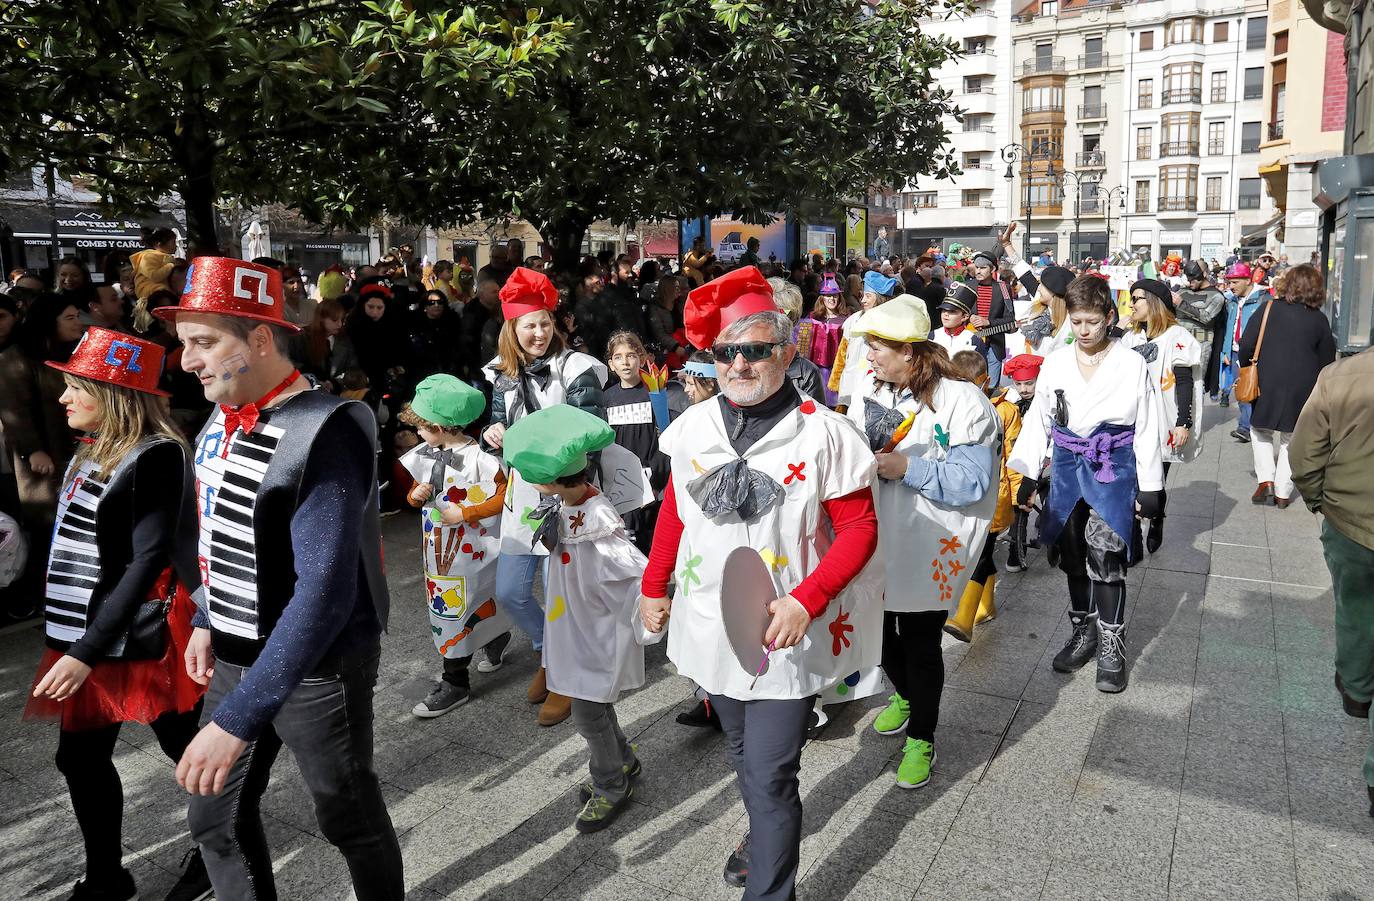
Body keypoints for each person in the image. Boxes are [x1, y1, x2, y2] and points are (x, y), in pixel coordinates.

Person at [153, 258, 403, 901]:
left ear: (260, 339)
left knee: (345, 814)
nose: (186, 363)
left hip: (320, 665)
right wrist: (210, 617)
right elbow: (217, 527)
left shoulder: (328, 426)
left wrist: (236, 719)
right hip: (237, 652)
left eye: (204, 343)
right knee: (213, 820)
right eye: (185, 345)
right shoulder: (223, 409)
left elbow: (323, 594)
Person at [639, 267, 881, 900]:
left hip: (785, 630)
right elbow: (673, 506)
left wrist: (809, 598)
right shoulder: (694, 426)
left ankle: (771, 889)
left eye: (755, 350)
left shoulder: (827, 434)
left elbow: (859, 529)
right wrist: (654, 582)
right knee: (744, 755)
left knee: (772, 772)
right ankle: (761, 836)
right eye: (726, 352)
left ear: (787, 351)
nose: (739, 364)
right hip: (711, 625)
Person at [23, 327, 211, 901]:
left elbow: (147, 558)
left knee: (187, 746)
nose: (61, 398)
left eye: (74, 387)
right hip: (88, 629)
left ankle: (221, 853)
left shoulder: (156, 455)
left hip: (133, 632)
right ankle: (108, 875)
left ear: (114, 393)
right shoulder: (95, 443)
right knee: (79, 757)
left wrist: (86, 651)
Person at [844, 295, 997, 787]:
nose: (868, 357)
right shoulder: (873, 389)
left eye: (876, 348)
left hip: (930, 542)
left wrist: (906, 467)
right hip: (874, 536)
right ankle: (907, 695)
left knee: (920, 641)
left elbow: (972, 481)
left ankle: (923, 737)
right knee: (875, 629)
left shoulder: (962, 401)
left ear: (909, 351)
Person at [1009, 275, 1164, 693]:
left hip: (1112, 466)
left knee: (1107, 553)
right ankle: (1084, 631)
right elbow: (1040, 418)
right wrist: (1025, 474)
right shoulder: (1056, 362)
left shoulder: (1131, 363)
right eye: (1076, 321)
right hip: (1064, 466)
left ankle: (1113, 642)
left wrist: (1152, 485)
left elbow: (1148, 425)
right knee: (1073, 552)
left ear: (1109, 317)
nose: (1083, 330)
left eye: (1092, 321)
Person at [504, 405, 648, 832]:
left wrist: (643, 614)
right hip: (575, 623)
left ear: (548, 478)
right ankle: (622, 761)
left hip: (595, 630)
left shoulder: (597, 520)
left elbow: (630, 570)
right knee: (595, 706)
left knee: (587, 712)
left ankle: (610, 785)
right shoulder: (569, 503)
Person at [481, 267, 607, 727]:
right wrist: (490, 434)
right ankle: (548, 652)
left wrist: (563, 485)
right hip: (520, 499)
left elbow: (590, 439)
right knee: (510, 591)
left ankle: (564, 675)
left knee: (560, 595)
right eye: (528, 324)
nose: (538, 332)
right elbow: (492, 430)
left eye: (544, 322)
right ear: (510, 329)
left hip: (565, 498)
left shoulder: (577, 369)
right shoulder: (502, 375)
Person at [1287, 343, 1374, 818]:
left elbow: (1304, 454)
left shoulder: (1340, 376)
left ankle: (1357, 690)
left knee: (1355, 609)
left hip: (1351, 522)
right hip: (1349, 517)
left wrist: (1320, 501)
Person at [398, 375, 511, 717]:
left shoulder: (481, 458)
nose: (417, 434)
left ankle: (455, 681)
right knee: (450, 605)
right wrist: (414, 495)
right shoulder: (427, 453)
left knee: (465, 602)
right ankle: (494, 637)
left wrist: (466, 512)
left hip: (472, 549)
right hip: (437, 551)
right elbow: (419, 489)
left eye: (422, 427)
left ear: (441, 426)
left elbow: (504, 496)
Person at [0, 293, 86, 615]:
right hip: (42, 461)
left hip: (74, 453)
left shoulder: (70, 354)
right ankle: (34, 597)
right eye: (69, 318)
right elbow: (14, 410)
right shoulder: (16, 357)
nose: (77, 323)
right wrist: (32, 449)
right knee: (46, 530)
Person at [1238, 264, 1337, 507]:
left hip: (1266, 379)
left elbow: (1247, 343)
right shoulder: (1319, 319)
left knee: (1259, 428)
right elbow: (1327, 359)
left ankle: (1266, 481)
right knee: (1291, 437)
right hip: (1304, 385)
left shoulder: (1269, 308)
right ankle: (1283, 492)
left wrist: (1247, 367)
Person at [1122, 279, 1204, 553]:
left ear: (1154, 303)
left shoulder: (1177, 337)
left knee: (1155, 477)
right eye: (1131, 299)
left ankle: (1155, 518)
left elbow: (1183, 382)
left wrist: (1184, 422)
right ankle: (1132, 531)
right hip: (1132, 420)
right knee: (1131, 479)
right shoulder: (1130, 337)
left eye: (1137, 299)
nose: (1131, 304)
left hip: (1162, 421)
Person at [829, 270, 899, 411]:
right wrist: (835, 382)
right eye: (863, 295)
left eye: (868, 296)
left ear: (880, 298)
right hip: (850, 384)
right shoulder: (853, 320)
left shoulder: (892, 324)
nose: (863, 300)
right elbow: (842, 355)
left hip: (878, 389)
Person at [1001, 354, 1043, 572]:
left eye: (1029, 383)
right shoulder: (1007, 401)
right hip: (1019, 460)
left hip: (1046, 459)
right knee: (1020, 505)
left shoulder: (1048, 399)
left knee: (1051, 499)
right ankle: (1017, 552)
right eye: (1019, 383)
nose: (1024, 388)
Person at [1219, 262, 1270, 440]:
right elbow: (1229, 327)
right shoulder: (1232, 300)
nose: (1230, 287)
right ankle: (1245, 427)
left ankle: (1252, 427)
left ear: (1247, 280)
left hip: (1256, 354)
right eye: (1229, 282)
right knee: (1242, 391)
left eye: (1235, 282)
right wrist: (1225, 351)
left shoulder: (1264, 298)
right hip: (1234, 352)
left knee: (1254, 390)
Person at [792, 271, 852, 406]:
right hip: (817, 371)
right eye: (828, 296)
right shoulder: (811, 319)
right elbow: (802, 343)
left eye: (835, 295)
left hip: (838, 371)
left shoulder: (847, 319)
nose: (832, 299)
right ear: (822, 299)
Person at [1176, 260, 1228, 397]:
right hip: (1178, 344)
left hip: (1201, 345)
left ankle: (1194, 418)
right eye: (1188, 278)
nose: (1190, 281)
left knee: (1195, 386)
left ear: (1204, 274)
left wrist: (1181, 304)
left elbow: (1207, 317)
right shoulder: (1182, 291)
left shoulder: (1216, 296)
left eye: (1193, 278)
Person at [966, 248, 1017, 385]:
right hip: (971, 344)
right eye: (977, 267)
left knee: (992, 386)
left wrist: (988, 321)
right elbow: (958, 312)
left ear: (993, 269)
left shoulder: (1004, 288)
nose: (978, 271)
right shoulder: (968, 286)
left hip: (995, 344)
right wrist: (969, 317)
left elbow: (1011, 321)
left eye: (983, 268)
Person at [347, 283, 409, 395]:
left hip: (391, 380)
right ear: (363, 305)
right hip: (360, 380)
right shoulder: (354, 323)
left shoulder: (394, 323)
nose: (375, 312)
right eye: (370, 307)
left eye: (380, 308)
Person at [295, 298, 359, 392]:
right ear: (321, 318)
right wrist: (312, 380)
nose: (340, 324)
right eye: (334, 320)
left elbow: (352, 369)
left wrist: (334, 384)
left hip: (335, 395)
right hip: (306, 392)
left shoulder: (345, 341)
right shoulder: (301, 339)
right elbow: (290, 364)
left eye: (342, 320)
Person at [930, 284, 982, 357]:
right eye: (943, 310)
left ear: (965, 316)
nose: (946, 314)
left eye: (952, 311)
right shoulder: (932, 336)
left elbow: (980, 367)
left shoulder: (973, 339)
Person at [131, 228, 178, 302]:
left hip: (159, 290)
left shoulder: (165, 257)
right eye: (173, 242)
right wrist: (170, 265)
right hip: (148, 290)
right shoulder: (148, 256)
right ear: (159, 244)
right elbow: (154, 276)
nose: (176, 245)